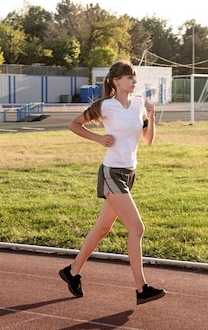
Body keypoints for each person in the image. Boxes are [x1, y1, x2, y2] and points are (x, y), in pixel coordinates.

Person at [59, 60, 165, 305]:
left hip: (129, 173)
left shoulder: (139, 104)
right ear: (116, 81)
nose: (134, 81)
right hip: (112, 173)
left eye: (134, 77)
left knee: (103, 228)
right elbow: (74, 124)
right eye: (129, 77)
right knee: (137, 228)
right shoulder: (105, 106)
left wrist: (151, 117)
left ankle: (72, 272)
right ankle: (141, 289)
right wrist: (98, 139)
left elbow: (147, 140)